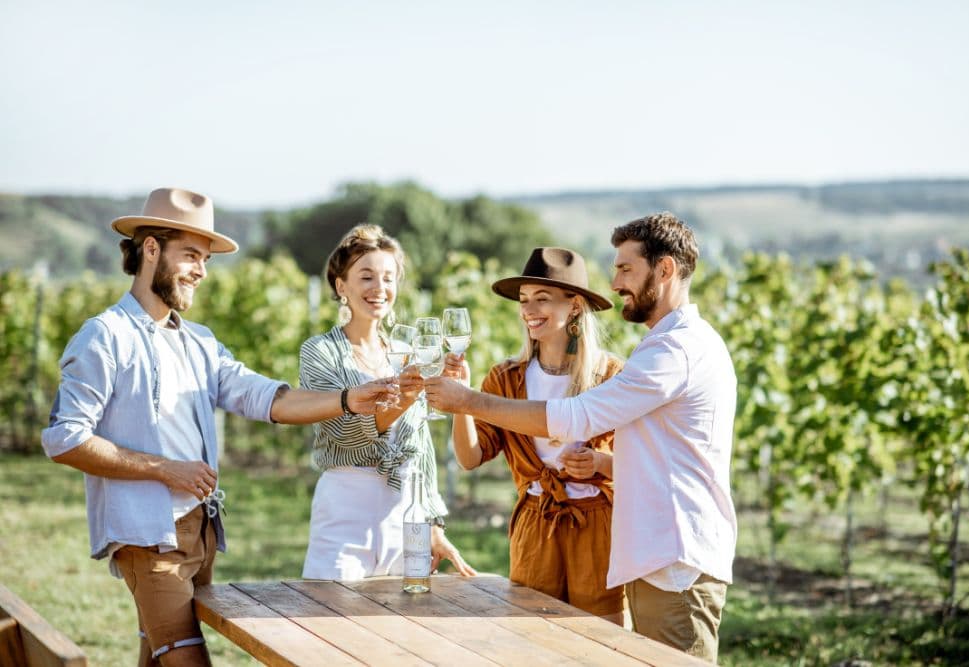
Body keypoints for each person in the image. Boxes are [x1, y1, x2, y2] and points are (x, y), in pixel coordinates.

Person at [41, 187, 397, 667]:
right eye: (191, 255)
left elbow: (265, 396)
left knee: (159, 654)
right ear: (151, 249)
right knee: (186, 657)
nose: (202, 272)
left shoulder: (200, 343)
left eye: (205, 259)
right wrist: (166, 469)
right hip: (149, 538)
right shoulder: (105, 336)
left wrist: (347, 400)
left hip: (200, 531)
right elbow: (65, 439)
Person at [425, 213, 737, 663]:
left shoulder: (672, 350)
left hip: (672, 555)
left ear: (664, 270)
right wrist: (468, 401)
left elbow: (577, 417)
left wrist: (467, 401)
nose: (616, 282)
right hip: (652, 551)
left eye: (625, 269)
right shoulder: (666, 345)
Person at [441, 247, 625, 623]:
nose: (528, 310)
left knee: (601, 641)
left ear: (574, 306)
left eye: (542, 299)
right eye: (524, 301)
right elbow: (469, 458)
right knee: (532, 636)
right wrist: (462, 400)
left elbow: (640, 463)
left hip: (596, 527)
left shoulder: (611, 376)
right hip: (536, 525)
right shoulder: (506, 378)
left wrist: (599, 463)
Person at [299, 224, 476, 582]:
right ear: (341, 286)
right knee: (330, 621)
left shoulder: (408, 354)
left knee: (402, 626)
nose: (379, 289)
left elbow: (420, 448)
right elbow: (343, 430)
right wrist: (404, 401)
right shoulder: (319, 352)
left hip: (404, 516)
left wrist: (433, 524)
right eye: (366, 277)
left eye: (389, 278)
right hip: (346, 509)